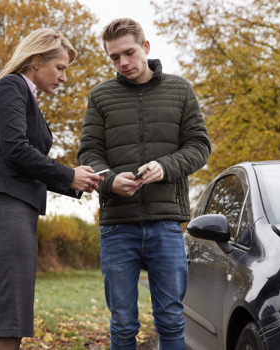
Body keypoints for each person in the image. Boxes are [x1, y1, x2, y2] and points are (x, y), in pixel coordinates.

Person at [78, 18, 211, 350]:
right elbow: (89, 152)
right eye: (114, 57)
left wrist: (165, 167)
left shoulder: (180, 90)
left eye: (129, 52)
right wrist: (109, 181)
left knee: (170, 320)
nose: (123, 62)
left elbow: (199, 146)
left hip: (165, 224)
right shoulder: (100, 96)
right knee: (122, 325)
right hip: (117, 225)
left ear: (146, 48)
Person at [0, 28, 103, 350]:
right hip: (5, 209)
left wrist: (77, 182)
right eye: (59, 68)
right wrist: (68, 174)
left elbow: (27, 161)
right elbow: (16, 150)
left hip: (17, 210)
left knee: (11, 318)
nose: (63, 78)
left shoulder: (25, 95)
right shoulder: (11, 86)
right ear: (35, 60)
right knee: (8, 320)